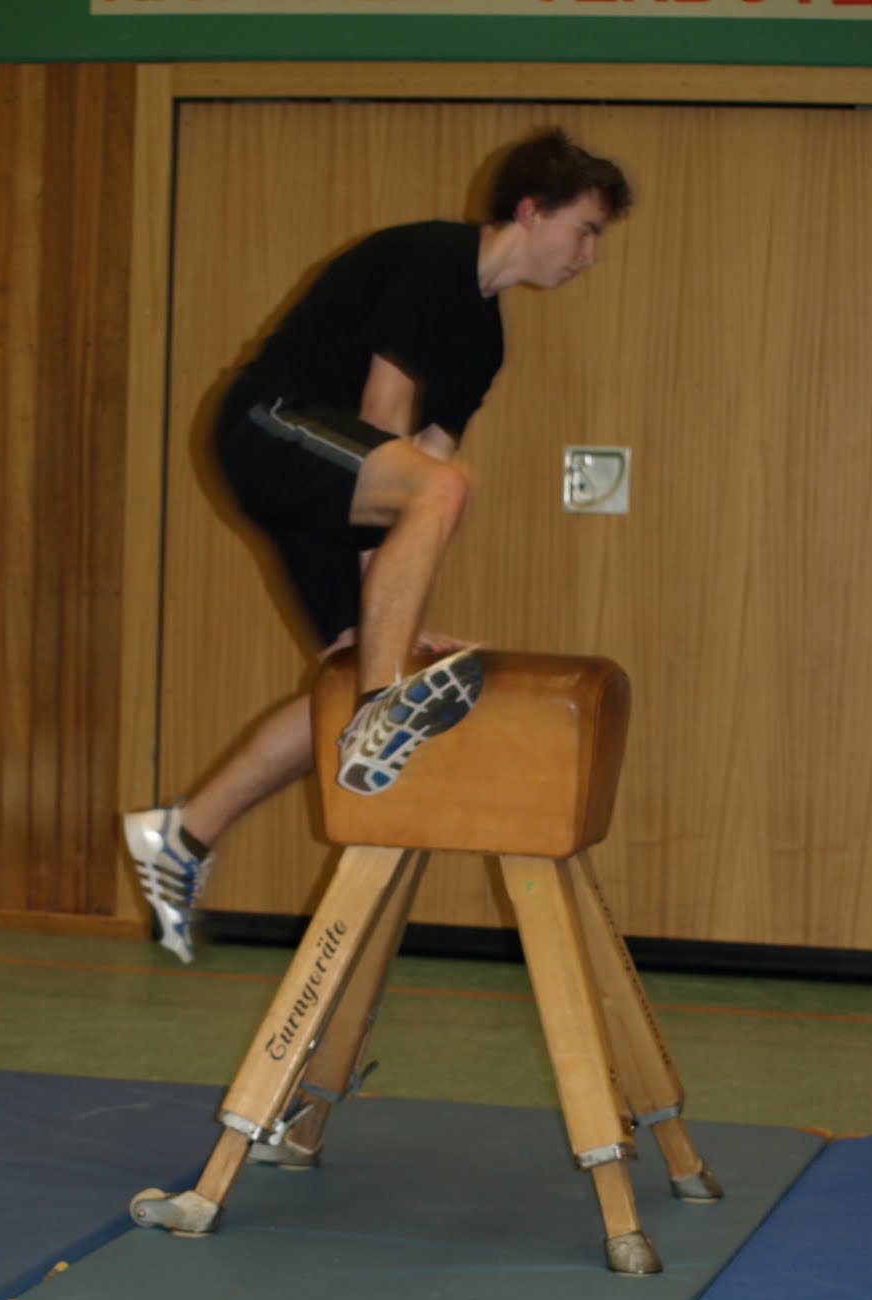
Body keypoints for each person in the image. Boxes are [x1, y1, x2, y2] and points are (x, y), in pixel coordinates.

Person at [124, 126, 631, 963]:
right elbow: (382, 423)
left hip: (327, 476)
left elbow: (411, 475)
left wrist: (385, 629)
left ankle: (183, 833)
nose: (590, 256)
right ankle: (376, 710)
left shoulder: (485, 342)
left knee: (357, 656)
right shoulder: (435, 262)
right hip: (266, 426)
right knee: (443, 498)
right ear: (530, 211)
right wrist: (387, 676)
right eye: (584, 230)